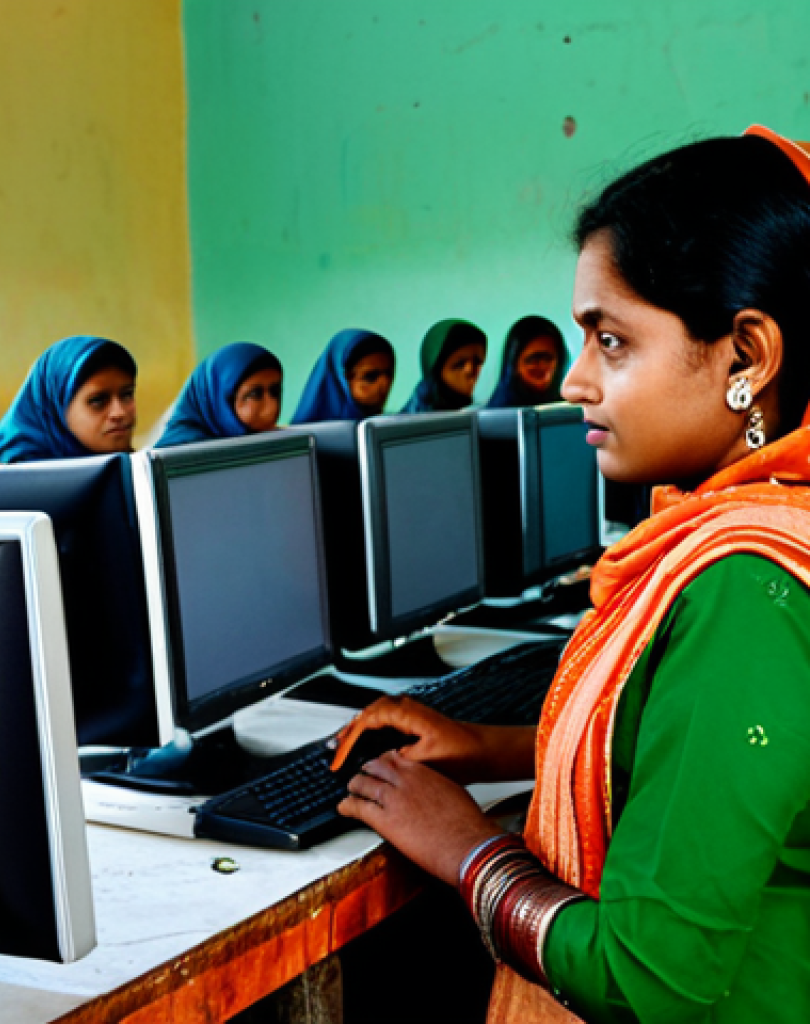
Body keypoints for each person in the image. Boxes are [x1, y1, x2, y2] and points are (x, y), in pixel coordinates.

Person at [330, 124, 810, 1023]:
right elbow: (701, 759)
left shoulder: (747, 587)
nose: (577, 382)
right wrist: (490, 748)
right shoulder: (768, 528)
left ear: (746, 356)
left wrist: (469, 848)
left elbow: (647, 978)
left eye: (613, 343)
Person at [0, 335, 137, 463]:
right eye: (97, 401)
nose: (119, 412)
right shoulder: (10, 481)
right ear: (56, 409)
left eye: (127, 395)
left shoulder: (132, 468)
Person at [154, 342, 282, 448]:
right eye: (254, 394)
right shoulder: (179, 454)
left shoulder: (263, 440)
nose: (272, 408)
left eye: (275, 391)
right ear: (221, 401)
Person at [291, 328, 395, 424]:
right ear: (342, 378)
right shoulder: (305, 438)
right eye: (370, 376)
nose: (385, 384)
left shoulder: (389, 425)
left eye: (389, 374)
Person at [402, 318, 488, 413]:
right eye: (459, 364)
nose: (470, 370)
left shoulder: (479, 413)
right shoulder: (409, 421)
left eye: (478, 362)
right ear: (436, 369)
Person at [487, 315, 569, 409]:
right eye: (534, 359)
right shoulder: (496, 414)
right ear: (514, 364)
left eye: (548, 359)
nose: (542, 366)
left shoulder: (568, 409)